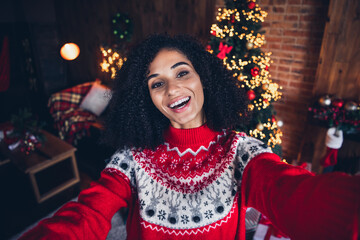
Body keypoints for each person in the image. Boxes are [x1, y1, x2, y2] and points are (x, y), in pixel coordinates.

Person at [20, 34, 359, 240]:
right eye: (156, 82)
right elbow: (88, 213)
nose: (173, 88)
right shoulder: (133, 157)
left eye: (182, 72)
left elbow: (294, 194)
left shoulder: (240, 151)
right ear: (147, 99)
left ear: (203, 80)